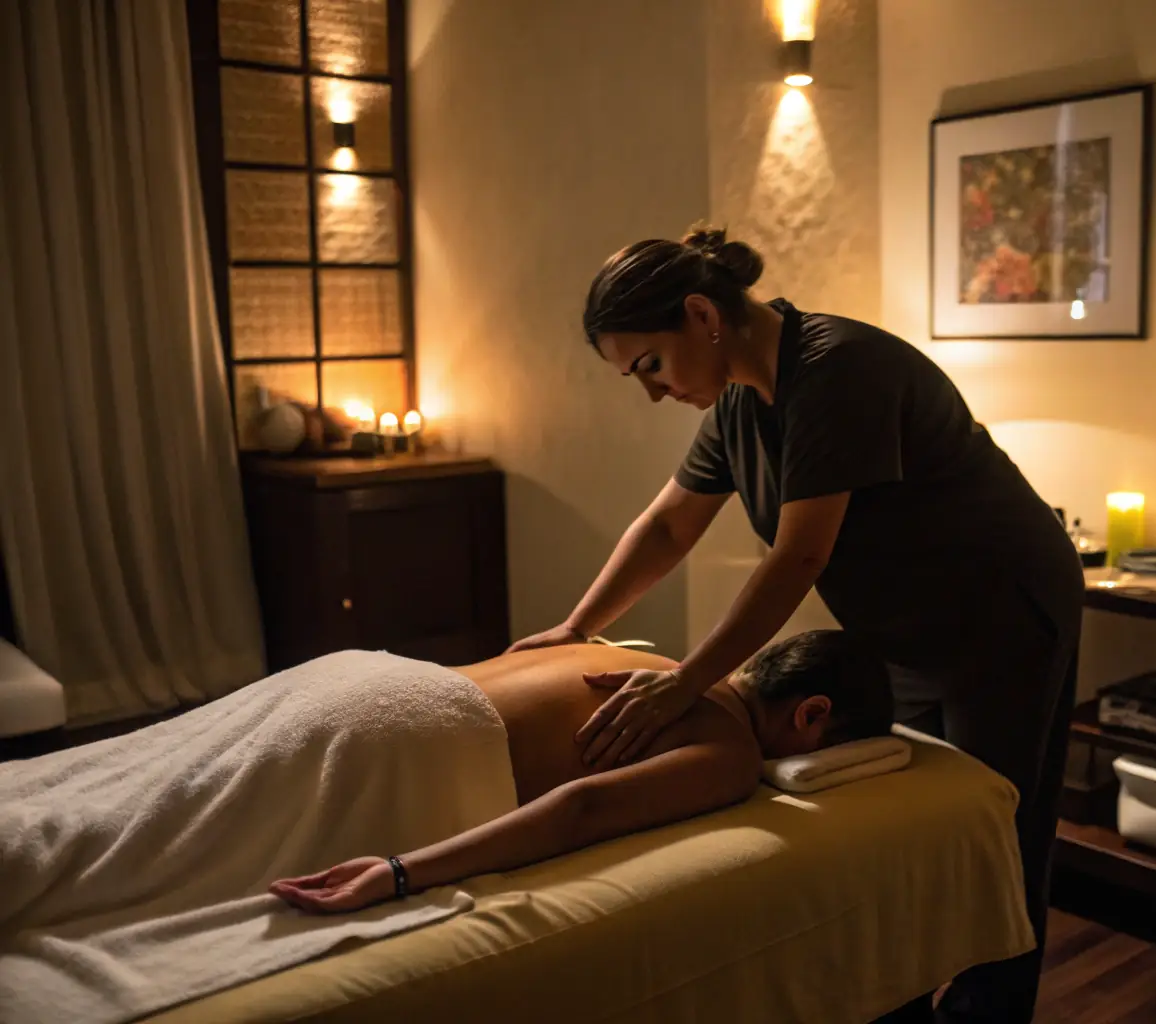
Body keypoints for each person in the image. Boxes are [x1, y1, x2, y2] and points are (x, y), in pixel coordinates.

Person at [506, 226, 1084, 1023]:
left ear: (702, 316)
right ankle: (905, 1000)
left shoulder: (838, 370)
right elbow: (670, 525)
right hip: (902, 626)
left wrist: (684, 684)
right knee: (908, 824)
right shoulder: (740, 403)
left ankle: (987, 1014)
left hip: (1001, 608)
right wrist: (574, 626)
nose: (650, 389)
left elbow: (797, 558)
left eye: (649, 364)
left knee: (993, 825)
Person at [270, 630, 892, 913]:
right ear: (812, 716)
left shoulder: (637, 654)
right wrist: (400, 872)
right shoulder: (732, 754)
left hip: (361, 676)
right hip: (403, 740)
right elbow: (579, 809)